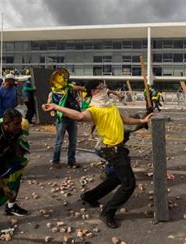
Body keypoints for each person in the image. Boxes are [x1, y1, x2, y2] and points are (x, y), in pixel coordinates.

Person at [42, 83, 153, 229]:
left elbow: (126, 119)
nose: (104, 89)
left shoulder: (111, 106)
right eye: (100, 87)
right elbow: (80, 116)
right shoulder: (94, 109)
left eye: (103, 86)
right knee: (129, 184)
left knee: (117, 178)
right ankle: (108, 212)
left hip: (119, 148)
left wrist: (142, 121)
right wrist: (56, 107)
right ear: (93, 91)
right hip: (111, 149)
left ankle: (90, 196)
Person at [47, 69, 84, 169]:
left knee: (73, 141)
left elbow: (80, 88)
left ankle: (71, 161)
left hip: (72, 118)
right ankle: (55, 161)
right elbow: (49, 105)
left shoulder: (70, 89)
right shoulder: (53, 93)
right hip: (62, 119)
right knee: (59, 141)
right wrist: (52, 111)